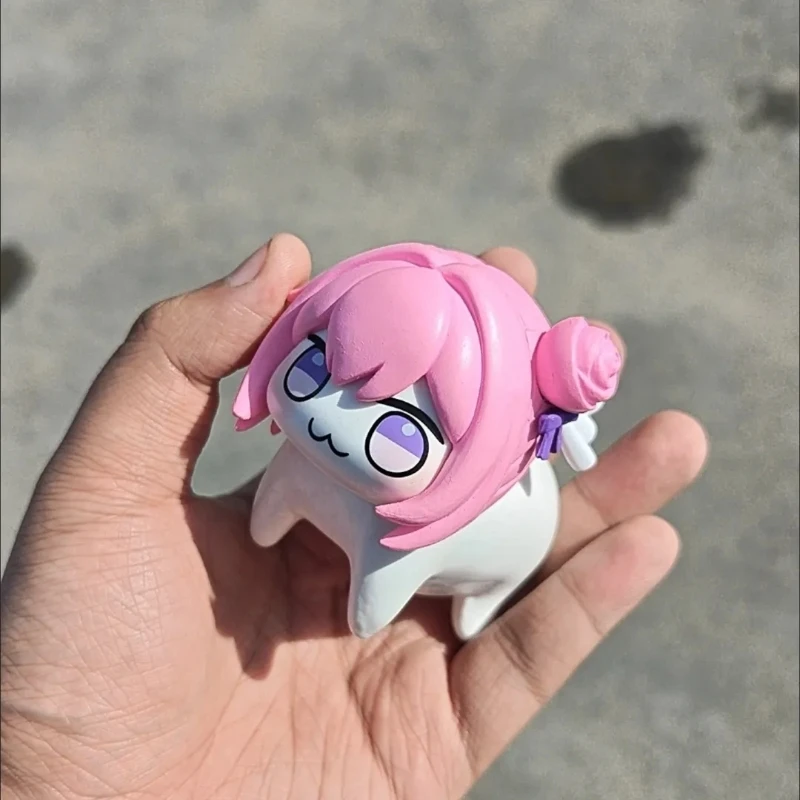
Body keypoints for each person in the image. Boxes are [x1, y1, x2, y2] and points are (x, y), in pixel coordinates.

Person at [0, 234, 707, 799]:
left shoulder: (429, 525)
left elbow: (372, 611)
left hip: (488, 550)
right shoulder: (305, 459)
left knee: (347, 533)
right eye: (312, 371)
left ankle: (480, 596)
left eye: (400, 432)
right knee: (287, 495)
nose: (330, 420)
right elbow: (285, 500)